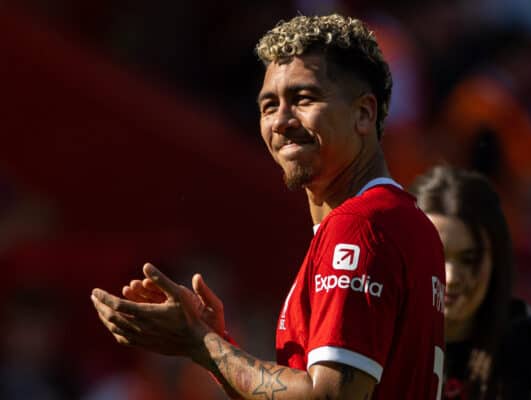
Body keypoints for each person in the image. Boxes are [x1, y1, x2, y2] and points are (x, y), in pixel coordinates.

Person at [91, 14, 446, 400]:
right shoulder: (408, 222)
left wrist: (201, 344)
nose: (280, 121)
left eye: (303, 99)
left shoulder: (360, 227)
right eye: (268, 105)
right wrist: (214, 343)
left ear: (364, 114)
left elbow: (329, 397)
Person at [409, 165, 531, 400]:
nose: (450, 278)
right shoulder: (370, 343)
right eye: (435, 256)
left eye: (469, 259)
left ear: (496, 262)